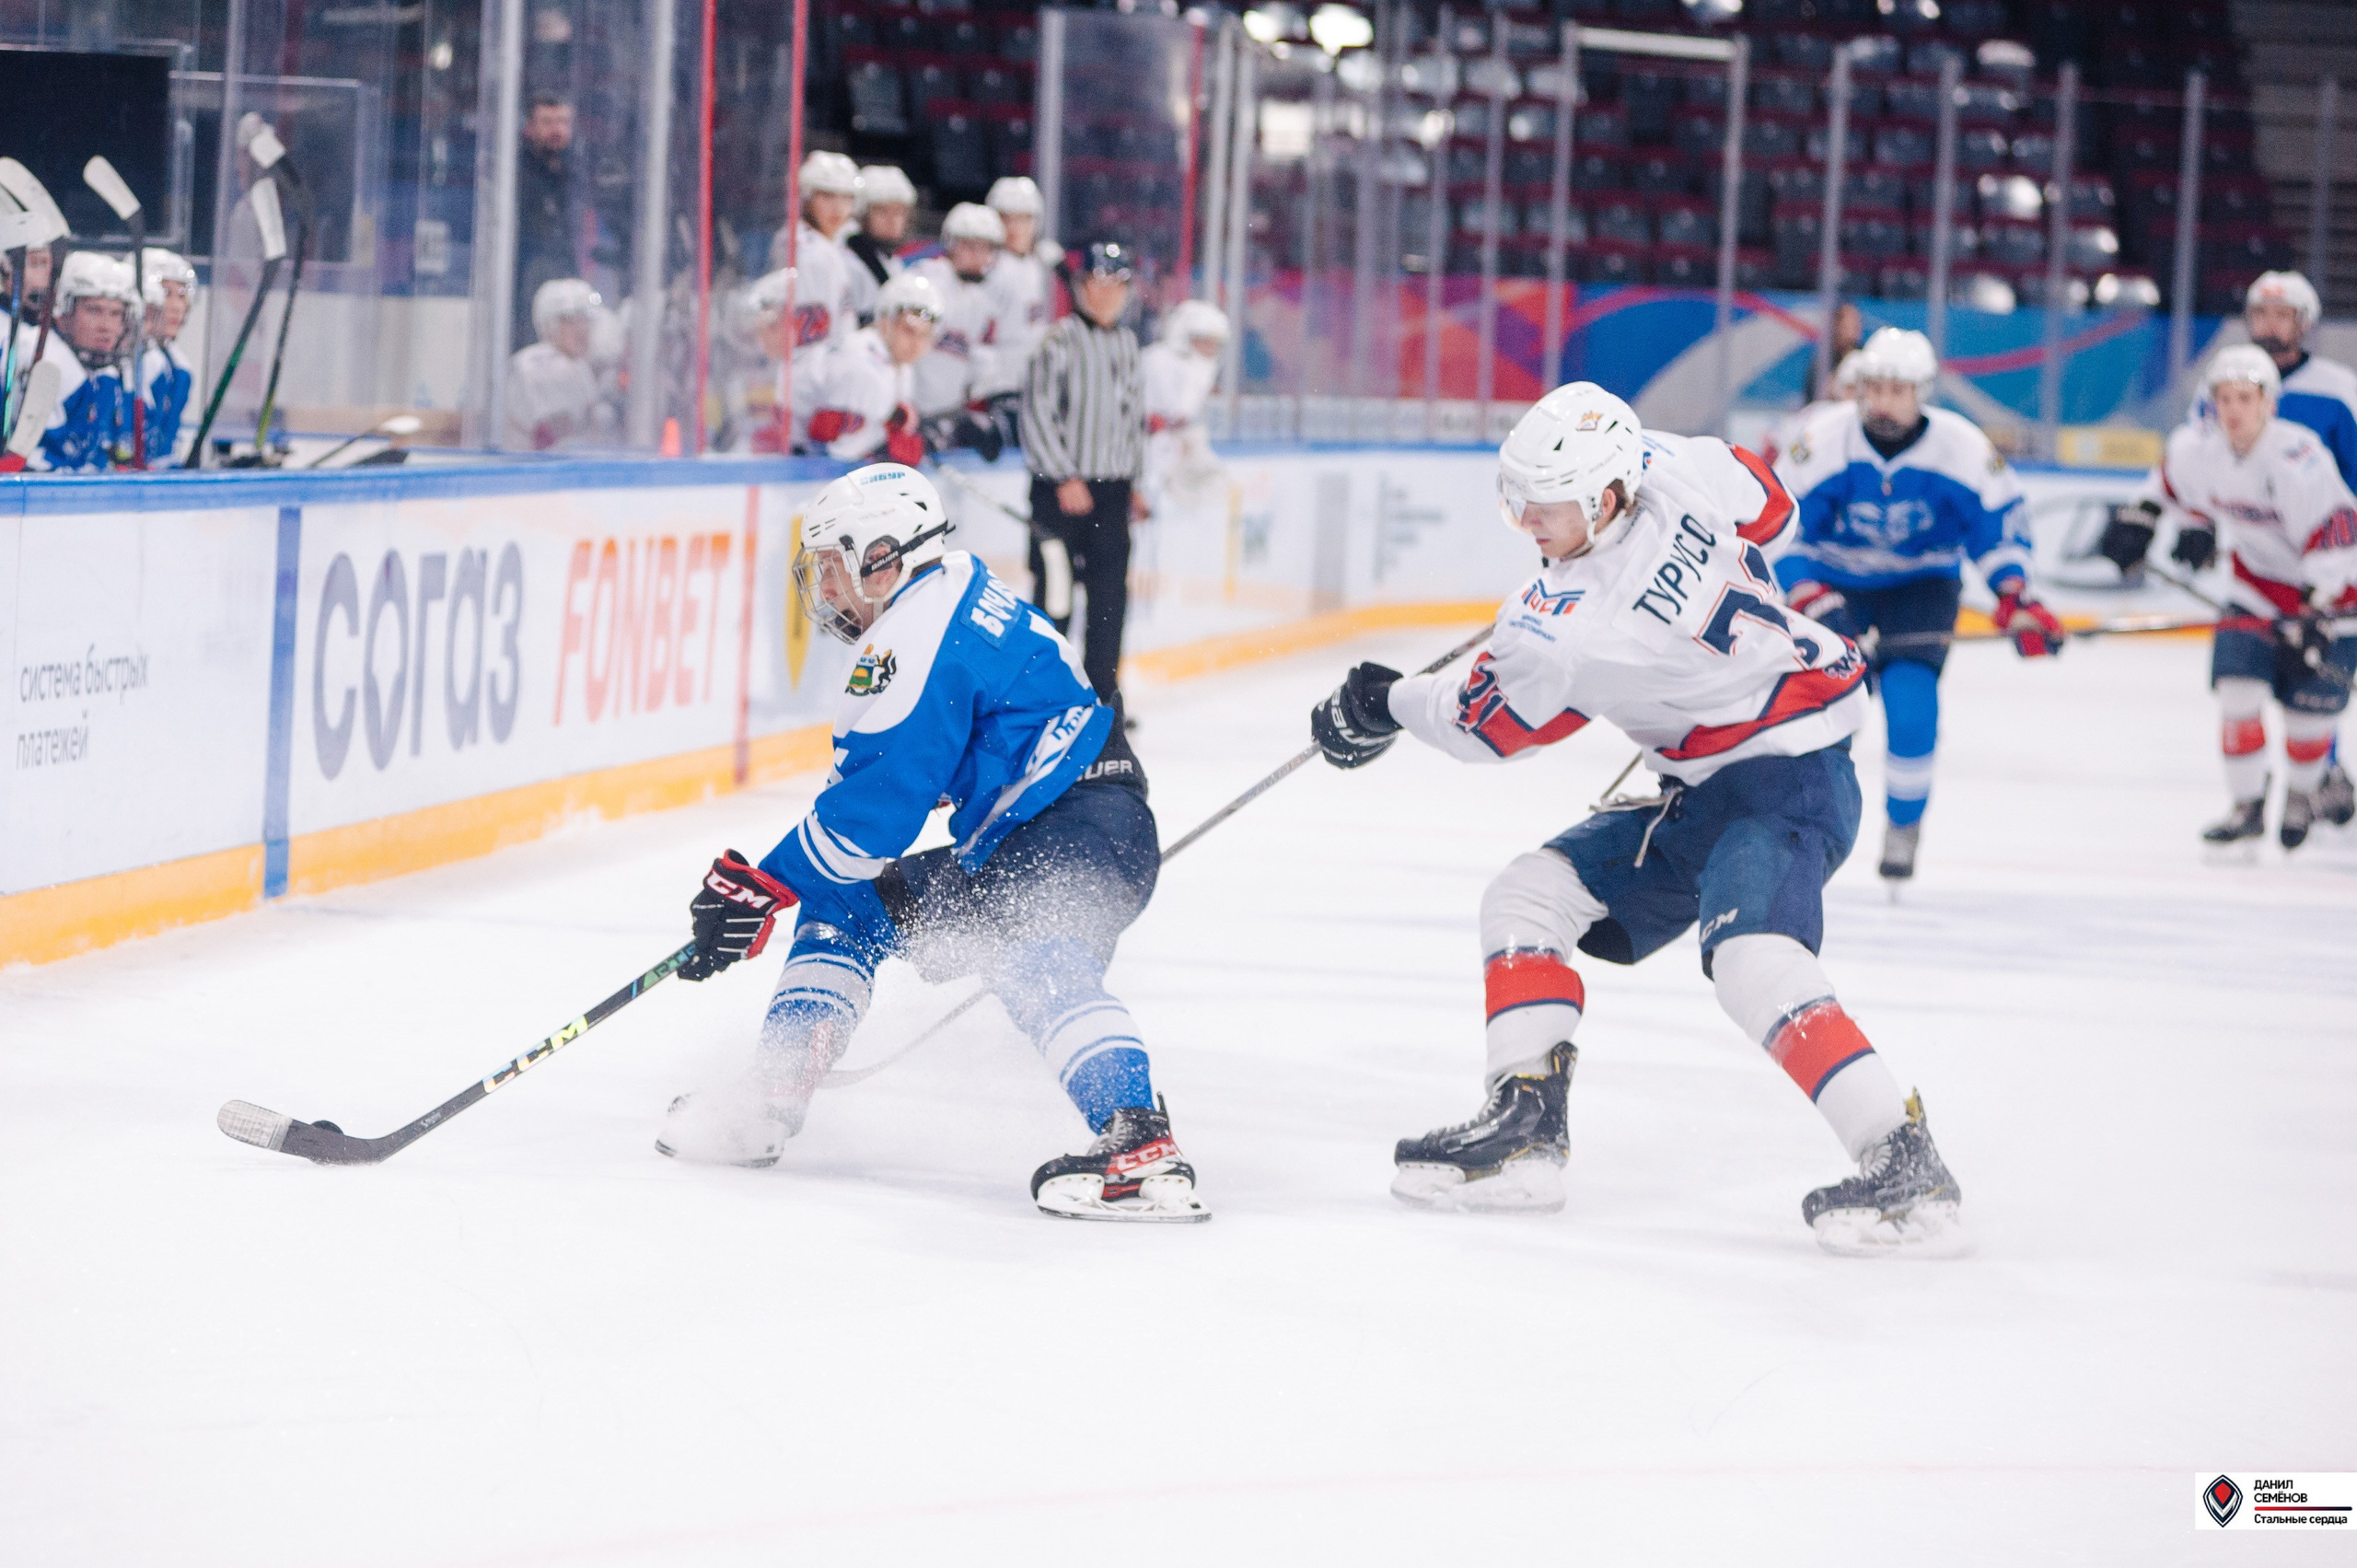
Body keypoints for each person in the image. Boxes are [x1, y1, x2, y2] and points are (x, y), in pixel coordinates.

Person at [1308, 384, 1963, 1255]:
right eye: (1518, 500)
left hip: (1784, 775)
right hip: (1727, 772)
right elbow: (1776, 511)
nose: (1526, 520)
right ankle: (1525, 1125)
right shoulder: (1674, 461)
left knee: (1753, 960)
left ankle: (1902, 1157)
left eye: (1543, 505)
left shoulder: (1556, 631)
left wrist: (1385, 702)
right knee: (1527, 898)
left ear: (1604, 497)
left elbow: (1491, 727)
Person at [656, 462, 1204, 1222]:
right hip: (1066, 828)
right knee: (849, 907)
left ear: (883, 555)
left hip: (1078, 824)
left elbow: (865, 825)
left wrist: (766, 885)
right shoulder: (951, 593)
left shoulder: (913, 633)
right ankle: (771, 1094)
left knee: (1032, 946)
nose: (830, 591)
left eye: (836, 568)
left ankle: (1140, 1143)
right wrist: (785, 888)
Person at [1772, 326, 2066, 884]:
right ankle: (1806, 825)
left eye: (1898, 391)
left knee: (1912, 708)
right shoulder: (1821, 440)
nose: (1883, 403)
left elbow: (1997, 528)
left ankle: (1903, 826)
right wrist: (1810, 595)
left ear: (1922, 392)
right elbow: (1780, 530)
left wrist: (2015, 597)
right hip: (1837, 587)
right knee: (1827, 712)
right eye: (1874, 389)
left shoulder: (1963, 449)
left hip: (1922, 587)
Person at [2098, 345, 2357, 850]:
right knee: (2238, 692)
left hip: (2336, 598)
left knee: (2309, 718)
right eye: (2223, 398)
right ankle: (2247, 805)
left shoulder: (2296, 458)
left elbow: (2336, 533)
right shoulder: (2198, 449)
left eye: (2245, 398)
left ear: (2268, 404)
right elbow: (2169, 486)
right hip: (2256, 589)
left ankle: (2303, 794)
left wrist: (2316, 610)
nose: (2233, 410)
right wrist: (2146, 519)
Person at [1022, 241, 1146, 708]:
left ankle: (1101, 700)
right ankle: (1043, 699)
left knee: (1110, 601)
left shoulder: (1130, 344)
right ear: (1080, 286)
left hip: (1112, 494)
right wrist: (1063, 476)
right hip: (1061, 493)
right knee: (1054, 600)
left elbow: (1134, 418)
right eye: (1100, 282)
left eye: (1118, 283)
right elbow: (1035, 415)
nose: (1109, 293)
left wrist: (1136, 482)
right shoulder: (1056, 342)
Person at [797, 271, 941, 465]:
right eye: (909, 330)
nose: (916, 344)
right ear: (884, 322)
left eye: (924, 335)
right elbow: (836, 453)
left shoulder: (898, 364)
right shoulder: (863, 365)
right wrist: (884, 446)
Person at [910, 203, 1008, 457]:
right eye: (970, 246)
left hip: (945, 417)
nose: (979, 256)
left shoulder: (979, 299)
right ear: (951, 245)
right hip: (912, 416)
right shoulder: (926, 283)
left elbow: (975, 367)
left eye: (985, 248)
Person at [776, 151, 861, 426]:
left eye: (846, 197)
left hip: (811, 390)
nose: (838, 208)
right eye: (827, 196)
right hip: (807, 397)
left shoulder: (826, 247)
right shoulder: (813, 252)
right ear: (807, 198)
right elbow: (811, 346)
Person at [38, 252, 140, 472]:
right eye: (94, 310)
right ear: (62, 310)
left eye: (116, 314)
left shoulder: (106, 374)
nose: (106, 326)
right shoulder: (47, 364)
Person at [1139, 298, 1230, 512]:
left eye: (1215, 343)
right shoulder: (1157, 361)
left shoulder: (1202, 368)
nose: (1211, 349)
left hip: (1170, 453)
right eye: (1205, 341)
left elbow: (1182, 418)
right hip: (1144, 455)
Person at [505, 278, 610, 450]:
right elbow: (552, 435)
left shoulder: (580, 367)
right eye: (570, 320)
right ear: (548, 323)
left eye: (586, 319)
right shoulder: (534, 364)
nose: (582, 328)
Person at [513, 93, 581, 351]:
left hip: (562, 273)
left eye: (563, 121)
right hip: (526, 278)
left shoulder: (573, 171)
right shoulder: (518, 170)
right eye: (548, 122)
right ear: (530, 127)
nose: (557, 130)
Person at [981, 176, 1057, 401]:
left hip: (1031, 380)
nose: (1014, 227)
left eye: (1023, 219)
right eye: (1006, 218)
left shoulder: (1038, 265)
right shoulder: (989, 267)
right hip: (999, 383)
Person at [135, 248, 197, 464]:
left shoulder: (180, 369)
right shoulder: (128, 364)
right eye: (165, 293)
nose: (176, 307)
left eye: (182, 295)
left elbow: (163, 448)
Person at [1760, 347, 1864, 469]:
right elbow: (1778, 441)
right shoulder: (1817, 415)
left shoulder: (1880, 433)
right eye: (1850, 388)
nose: (1854, 397)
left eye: (1860, 391)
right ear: (1838, 387)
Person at [843, 164, 916, 324]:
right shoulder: (847, 263)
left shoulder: (894, 263)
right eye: (882, 211)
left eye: (899, 212)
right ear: (862, 214)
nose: (893, 221)